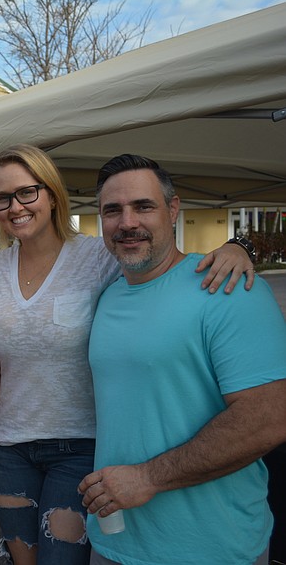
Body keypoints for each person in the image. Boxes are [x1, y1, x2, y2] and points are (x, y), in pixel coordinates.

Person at [0, 144, 257, 565]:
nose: (16, 206)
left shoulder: (97, 256)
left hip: (80, 445)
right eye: (3, 198)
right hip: (7, 444)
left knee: (61, 561)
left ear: (52, 194)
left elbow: (164, 263)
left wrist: (238, 247)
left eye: (27, 192)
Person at [79, 154, 286, 565]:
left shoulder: (228, 289)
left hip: (211, 547)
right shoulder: (106, 293)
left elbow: (270, 416)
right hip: (113, 539)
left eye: (143, 206)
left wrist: (148, 477)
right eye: (112, 210)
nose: (127, 223)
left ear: (173, 210)